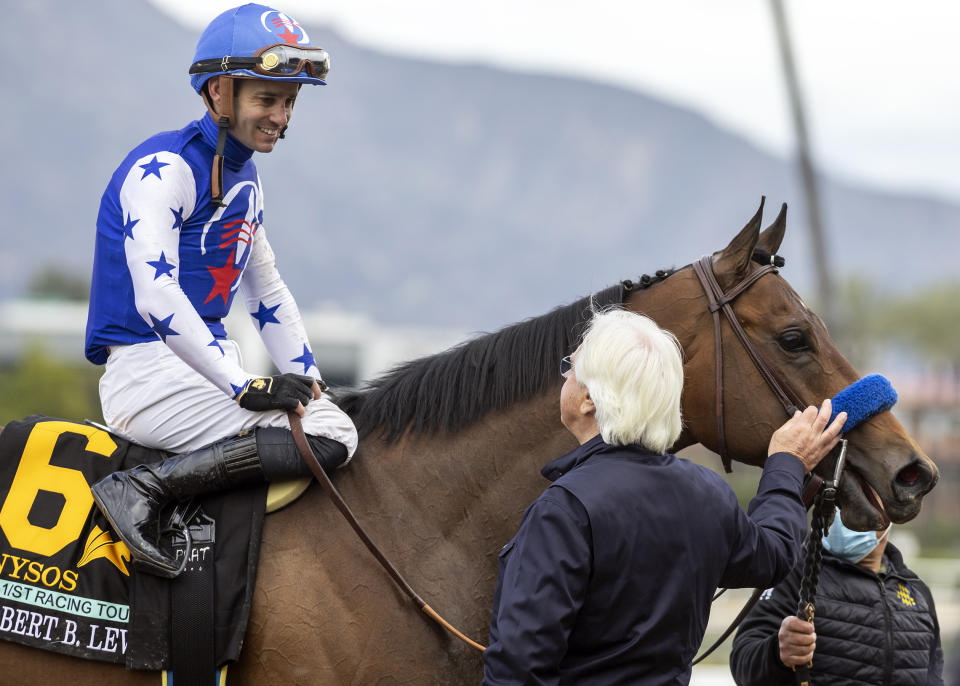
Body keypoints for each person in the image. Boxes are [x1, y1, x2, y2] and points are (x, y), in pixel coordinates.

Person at [83, 3, 357, 578]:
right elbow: (156, 297)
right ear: (219, 94)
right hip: (146, 378)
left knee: (329, 412)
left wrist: (306, 377)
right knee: (334, 433)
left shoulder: (245, 178)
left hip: (198, 372)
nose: (281, 117)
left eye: (288, 102)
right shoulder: (163, 168)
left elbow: (266, 290)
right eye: (266, 100)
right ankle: (142, 490)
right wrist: (245, 386)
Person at [481, 308, 849, 685]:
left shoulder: (564, 510)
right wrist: (786, 464)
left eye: (570, 369)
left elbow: (518, 670)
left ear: (588, 398)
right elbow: (774, 554)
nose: (565, 377)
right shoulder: (708, 495)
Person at [729, 509, 944, 685]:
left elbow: (935, 676)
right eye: (840, 498)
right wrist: (777, 653)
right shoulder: (793, 573)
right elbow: (743, 665)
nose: (848, 507)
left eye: (864, 497)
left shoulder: (917, 591)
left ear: (889, 513)